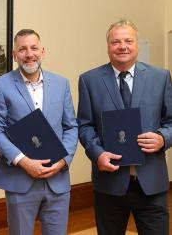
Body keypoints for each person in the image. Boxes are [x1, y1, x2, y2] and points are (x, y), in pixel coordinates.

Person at [77, 19, 172, 235]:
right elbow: (84, 126)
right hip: (109, 184)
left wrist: (162, 138)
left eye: (128, 40)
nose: (122, 46)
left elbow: (171, 121)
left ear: (137, 44)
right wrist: (97, 153)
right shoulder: (89, 80)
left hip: (151, 183)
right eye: (115, 42)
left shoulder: (160, 77)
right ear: (108, 46)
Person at [0, 29, 78, 235]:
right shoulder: (0, 85)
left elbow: (71, 126)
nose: (29, 54)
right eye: (23, 49)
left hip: (57, 179)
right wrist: (23, 161)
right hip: (20, 178)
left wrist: (63, 161)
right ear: (14, 55)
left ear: (42, 51)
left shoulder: (61, 83)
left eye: (34, 48)